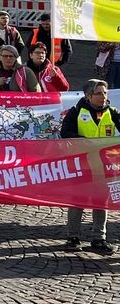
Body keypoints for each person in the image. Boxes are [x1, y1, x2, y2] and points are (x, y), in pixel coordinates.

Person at [59, 80, 116, 255]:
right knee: (77, 201)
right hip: (81, 164)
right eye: (99, 93)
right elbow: (65, 133)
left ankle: (99, 238)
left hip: (103, 166)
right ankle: (73, 237)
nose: (103, 96)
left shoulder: (113, 113)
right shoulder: (76, 112)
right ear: (88, 96)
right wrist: (86, 143)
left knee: (101, 202)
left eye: (105, 93)